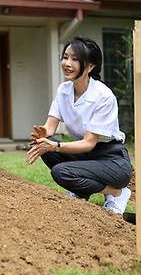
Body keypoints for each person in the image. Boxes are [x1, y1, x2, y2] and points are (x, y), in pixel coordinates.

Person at [26, 37, 132, 214]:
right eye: (65, 57)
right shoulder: (63, 90)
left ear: (90, 66)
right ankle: (81, 191)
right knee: (46, 148)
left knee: (61, 172)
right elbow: (50, 127)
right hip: (85, 154)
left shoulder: (104, 96)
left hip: (111, 159)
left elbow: (89, 142)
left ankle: (116, 192)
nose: (67, 63)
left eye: (75, 59)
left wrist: (57, 145)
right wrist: (43, 135)